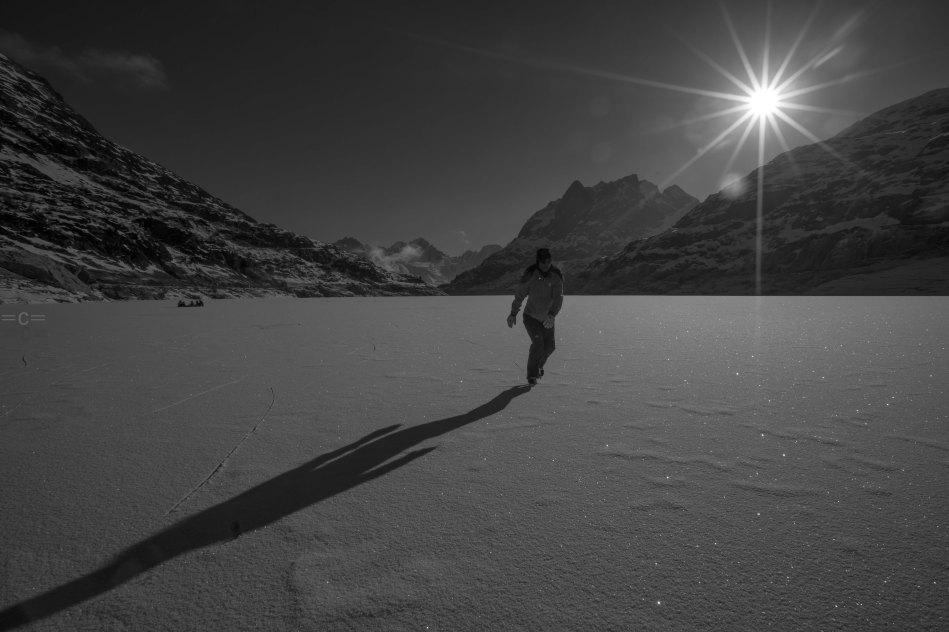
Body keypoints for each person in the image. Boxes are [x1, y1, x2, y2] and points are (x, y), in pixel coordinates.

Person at [507, 248, 564, 385]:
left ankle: (539, 365)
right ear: (538, 261)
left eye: (549, 261)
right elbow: (520, 294)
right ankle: (532, 375)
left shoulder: (556, 275)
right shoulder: (530, 274)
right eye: (543, 261)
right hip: (530, 316)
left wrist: (552, 315)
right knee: (538, 344)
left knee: (550, 346)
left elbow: (558, 298)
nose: (546, 264)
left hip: (547, 319)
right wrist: (513, 313)